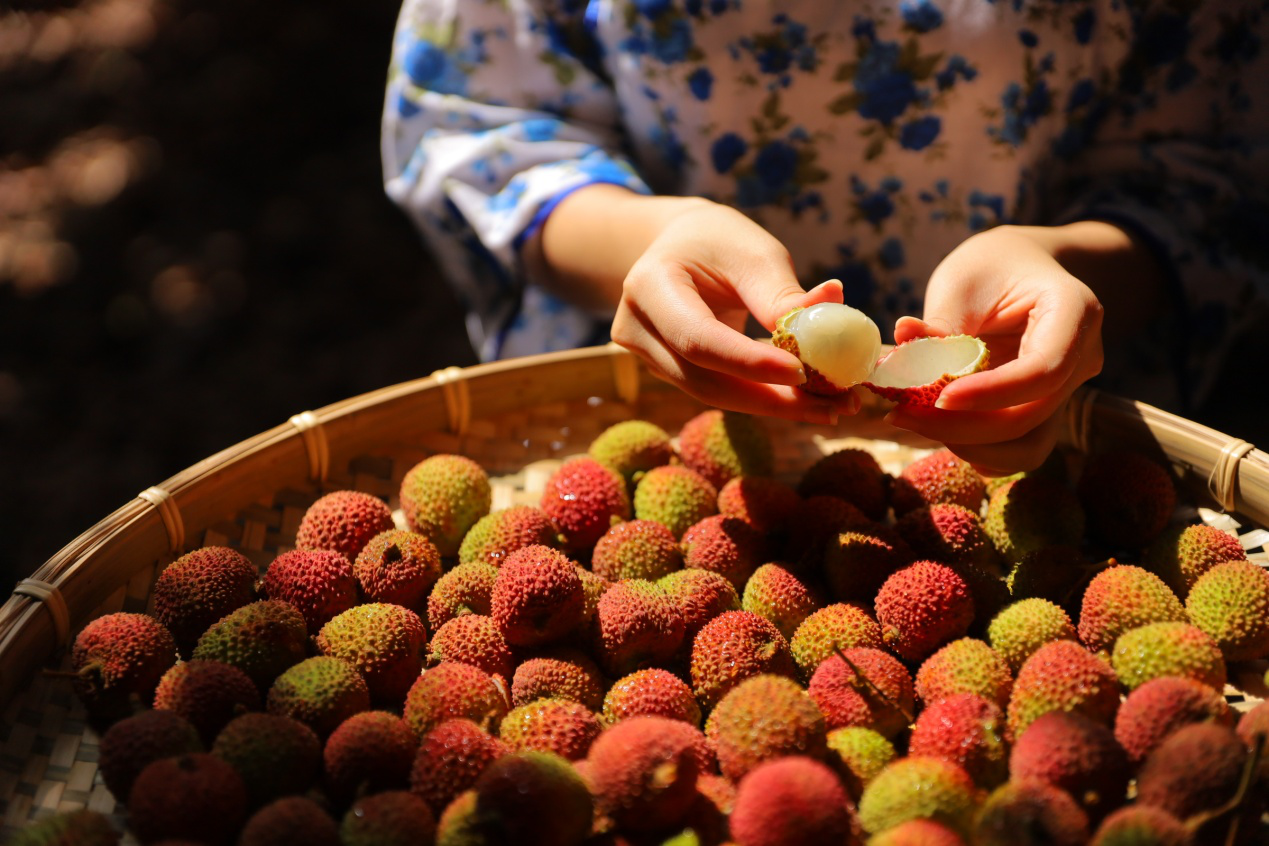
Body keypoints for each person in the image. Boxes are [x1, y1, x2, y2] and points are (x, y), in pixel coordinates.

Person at [380, 0, 1269, 475]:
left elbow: (1210, 171)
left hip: (1044, 434)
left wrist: (1069, 264)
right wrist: (650, 239)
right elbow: (476, 116)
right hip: (659, 414)